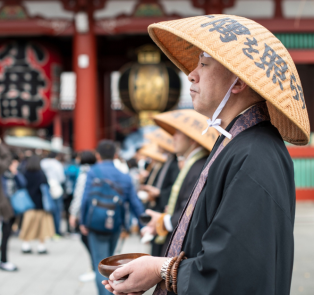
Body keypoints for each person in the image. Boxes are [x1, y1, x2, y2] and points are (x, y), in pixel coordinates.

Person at [103, 14, 310, 295]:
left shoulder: (255, 154)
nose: (191, 73)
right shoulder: (237, 144)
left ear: (237, 82)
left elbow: (233, 271)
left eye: (203, 63)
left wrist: (159, 269)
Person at [142, 110, 217, 257]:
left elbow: (191, 208)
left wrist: (165, 221)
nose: (173, 137)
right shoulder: (194, 165)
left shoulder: (198, 168)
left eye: (178, 133)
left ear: (192, 139)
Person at [80, 140, 144, 295]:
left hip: (95, 223)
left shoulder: (93, 171)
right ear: (115, 155)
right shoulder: (125, 176)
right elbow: (135, 203)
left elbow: (86, 198)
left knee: (100, 263)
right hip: (115, 222)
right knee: (111, 260)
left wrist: (82, 221)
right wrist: (143, 225)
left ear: (98, 155)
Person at [68, 150, 96, 282]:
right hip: (98, 212)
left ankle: (94, 268)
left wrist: (73, 213)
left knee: (88, 241)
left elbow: (79, 195)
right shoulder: (98, 171)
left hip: (85, 214)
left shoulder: (84, 173)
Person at [20, 155, 55, 254]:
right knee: (42, 226)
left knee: (27, 225)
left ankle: (25, 245)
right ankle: (41, 246)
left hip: (27, 204)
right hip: (40, 204)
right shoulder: (41, 173)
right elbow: (46, 186)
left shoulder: (24, 173)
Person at [0, 152, 26, 271]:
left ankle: (4, 259)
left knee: (6, 234)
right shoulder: (2, 174)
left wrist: (15, 173)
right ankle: (4, 260)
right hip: (3, 209)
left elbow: (23, 184)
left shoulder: (13, 174)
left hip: (12, 208)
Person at [41, 152, 65, 236]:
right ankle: (56, 231)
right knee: (57, 211)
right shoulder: (57, 164)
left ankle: (47, 231)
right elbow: (62, 178)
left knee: (46, 210)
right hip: (56, 188)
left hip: (45, 188)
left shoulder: (42, 163)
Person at [64, 152, 80, 233]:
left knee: (67, 210)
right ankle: (76, 228)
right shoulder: (77, 167)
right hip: (74, 191)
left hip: (66, 192)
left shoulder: (66, 166)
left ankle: (68, 228)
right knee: (75, 209)